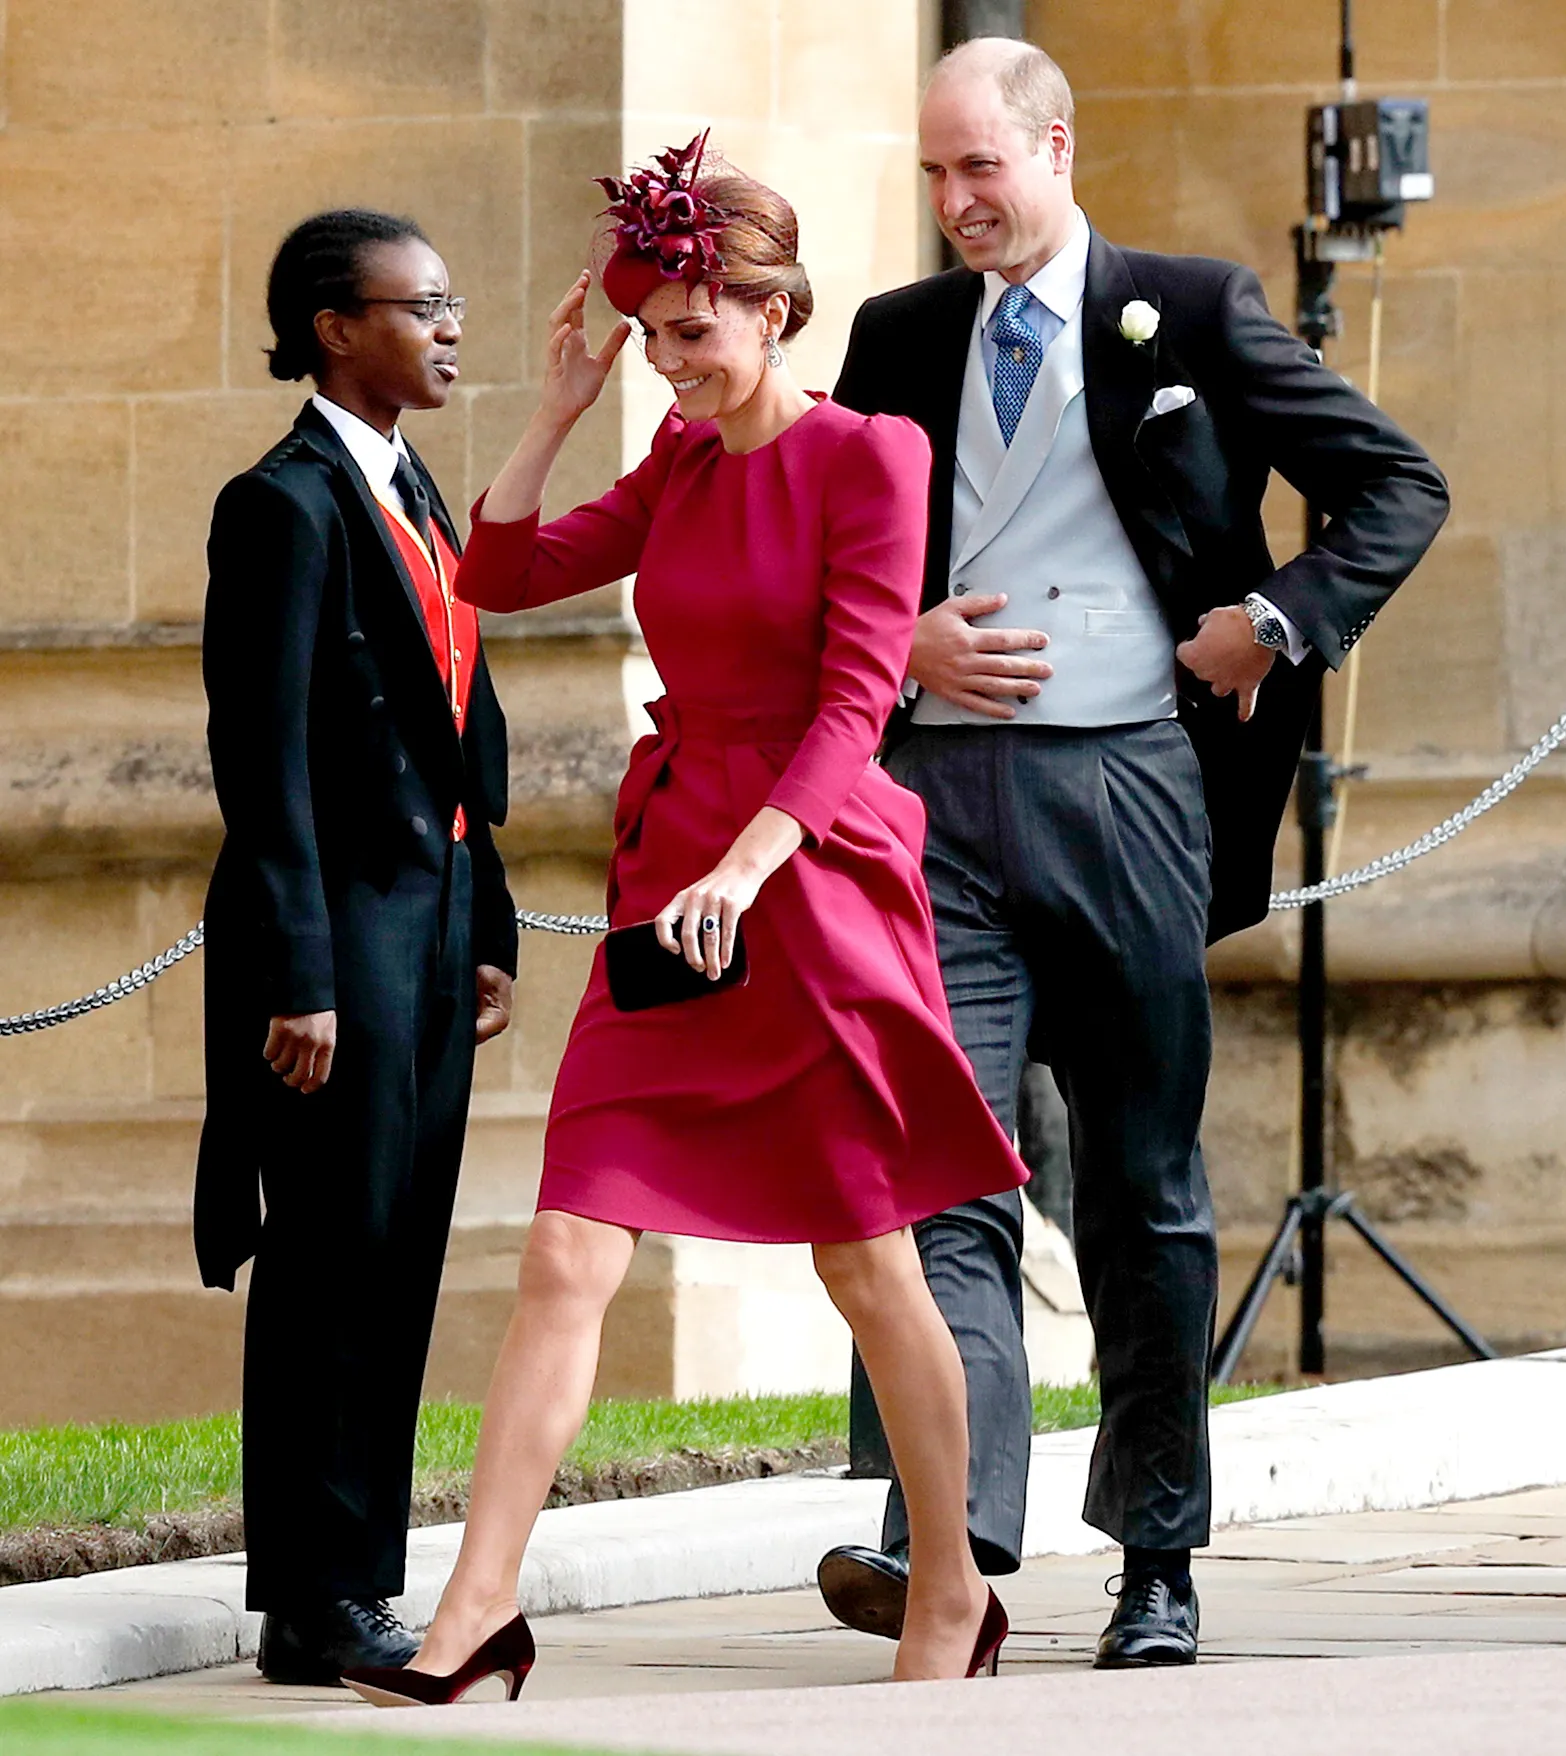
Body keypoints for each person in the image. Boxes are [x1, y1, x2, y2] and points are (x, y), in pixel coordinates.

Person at [339, 135, 1028, 1709]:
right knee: (570, 1245)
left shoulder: (874, 457)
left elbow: (861, 692)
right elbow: (495, 573)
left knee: (870, 1263)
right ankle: (477, 1613)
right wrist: (559, 410)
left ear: (776, 314)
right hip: (676, 887)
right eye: (649, 335)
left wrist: (752, 864)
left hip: (814, 883)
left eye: (692, 332)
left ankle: (953, 1582)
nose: (668, 361)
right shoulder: (675, 464)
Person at [818, 39, 1450, 1668]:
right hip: (937, 811)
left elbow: (1395, 484)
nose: (958, 204)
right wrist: (899, 656)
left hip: (1136, 793)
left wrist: (1273, 623)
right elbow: (822, 554)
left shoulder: (1197, 306)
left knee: (1144, 1191)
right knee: (938, 1167)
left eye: (983, 169)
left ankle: (1156, 1557)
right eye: (936, 177)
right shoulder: (894, 338)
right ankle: (946, 1549)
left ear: (1054, 143)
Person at [196, 209, 519, 1684]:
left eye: (450, 307)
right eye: (425, 306)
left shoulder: (415, 488)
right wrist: (299, 975)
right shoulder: (285, 504)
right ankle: (307, 1594)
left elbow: (457, 726)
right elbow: (259, 763)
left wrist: (493, 921)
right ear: (338, 328)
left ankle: (359, 1578)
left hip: (438, 930)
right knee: (327, 1260)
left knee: (398, 1258)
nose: (451, 328)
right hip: (341, 945)